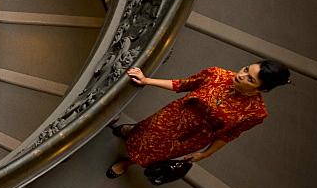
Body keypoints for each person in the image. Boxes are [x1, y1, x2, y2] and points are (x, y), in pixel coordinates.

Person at [106, 60, 291, 178]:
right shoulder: (216, 74)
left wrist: (205, 154)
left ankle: (127, 162)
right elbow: (182, 85)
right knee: (146, 130)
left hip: (191, 137)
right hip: (173, 116)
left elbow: (228, 135)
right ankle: (132, 130)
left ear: (261, 90)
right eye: (245, 69)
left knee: (155, 153)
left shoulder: (256, 113)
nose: (240, 75)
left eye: (250, 79)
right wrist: (147, 80)